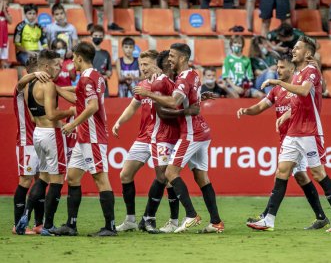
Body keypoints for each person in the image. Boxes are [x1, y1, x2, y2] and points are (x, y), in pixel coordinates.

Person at [247, 36, 331, 232]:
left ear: (308, 53)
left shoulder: (310, 71)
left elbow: (303, 92)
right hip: (294, 131)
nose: (293, 51)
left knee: (318, 174)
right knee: (282, 171)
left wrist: (277, 81)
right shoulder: (299, 73)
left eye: (297, 48)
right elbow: (299, 102)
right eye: (293, 48)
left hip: (310, 130)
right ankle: (268, 219)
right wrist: (285, 116)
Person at [135, 43, 224, 233]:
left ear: (182, 58)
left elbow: (174, 101)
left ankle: (191, 215)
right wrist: (197, 101)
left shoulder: (182, 78)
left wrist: (148, 93)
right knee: (202, 178)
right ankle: (216, 222)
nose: (170, 60)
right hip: (203, 131)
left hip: (191, 133)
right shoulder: (193, 74)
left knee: (169, 173)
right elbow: (189, 99)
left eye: (173, 56)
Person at [238, 54, 330, 230]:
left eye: (281, 67)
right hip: (289, 139)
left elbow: (318, 92)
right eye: (277, 67)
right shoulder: (276, 90)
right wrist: (246, 110)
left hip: (301, 137)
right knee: (301, 177)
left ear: (291, 68)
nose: (277, 70)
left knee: (283, 173)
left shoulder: (300, 86)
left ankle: (267, 217)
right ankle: (321, 217)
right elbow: (260, 106)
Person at [52, 41, 116, 237]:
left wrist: (72, 124)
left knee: (100, 178)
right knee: (72, 177)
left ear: (79, 58)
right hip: (84, 137)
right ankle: (71, 225)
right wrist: (57, 88)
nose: (72, 62)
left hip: (93, 137)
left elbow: (92, 106)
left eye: (73, 58)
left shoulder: (87, 79)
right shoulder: (95, 77)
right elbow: (79, 96)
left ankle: (110, 227)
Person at [15, 50, 75, 236]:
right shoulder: (48, 84)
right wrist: (70, 112)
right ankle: (48, 225)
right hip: (52, 133)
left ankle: (24, 216)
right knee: (56, 180)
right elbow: (51, 114)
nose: (60, 68)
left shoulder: (28, 87)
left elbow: (34, 117)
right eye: (57, 65)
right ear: (46, 66)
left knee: (43, 178)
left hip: (38, 134)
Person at [113, 50, 159, 232]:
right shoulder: (142, 85)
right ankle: (130, 219)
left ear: (156, 64)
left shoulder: (165, 84)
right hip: (143, 137)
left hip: (162, 137)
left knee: (167, 178)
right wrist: (119, 122)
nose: (142, 68)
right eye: (141, 64)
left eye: (146, 64)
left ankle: (167, 219)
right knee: (125, 174)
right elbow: (133, 107)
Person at [12, 57, 50, 235]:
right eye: (40, 71)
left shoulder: (39, 89)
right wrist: (35, 74)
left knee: (40, 180)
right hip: (25, 141)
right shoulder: (22, 89)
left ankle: (38, 223)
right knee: (25, 181)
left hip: (38, 139)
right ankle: (17, 224)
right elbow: (20, 82)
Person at [90, 25, 112, 97]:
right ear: (91, 36)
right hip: (90, 87)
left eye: (100, 36)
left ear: (103, 37)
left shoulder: (106, 53)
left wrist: (108, 74)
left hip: (103, 88)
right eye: (95, 35)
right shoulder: (87, 52)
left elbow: (109, 71)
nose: (98, 37)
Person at [0, 0, 12, 68]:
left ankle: (3, 65)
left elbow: (10, 21)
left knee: (3, 52)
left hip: (4, 35)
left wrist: (4, 10)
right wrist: (1, 5)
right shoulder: (2, 5)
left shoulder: (5, 9)